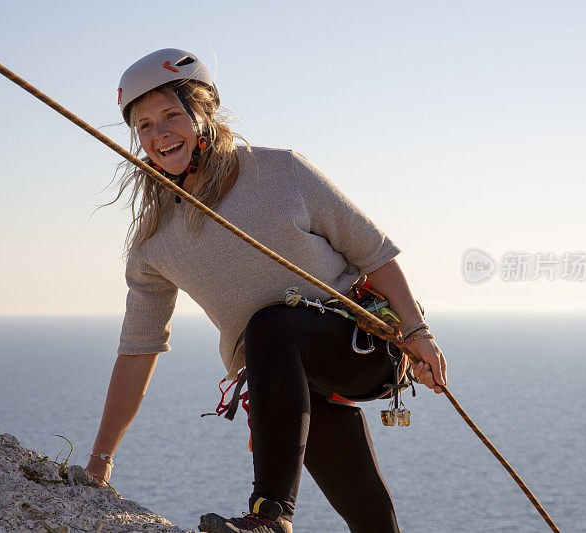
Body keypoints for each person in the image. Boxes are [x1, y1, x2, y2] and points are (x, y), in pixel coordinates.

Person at [85, 48, 448, 533]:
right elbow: (137, 351)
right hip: (284, 384)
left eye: (172, 114)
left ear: (204, 113)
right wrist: (100, 462)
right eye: (145, 125)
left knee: (273, 325)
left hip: (360, 347)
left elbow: (375, 253)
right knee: (373, 523)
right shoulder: (155, 242)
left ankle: (269, 517)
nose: (159, 134)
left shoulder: (282, 172)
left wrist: (418, 333)